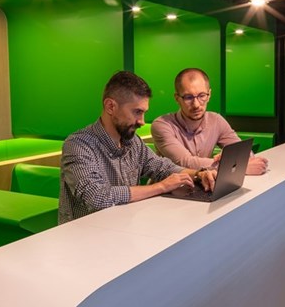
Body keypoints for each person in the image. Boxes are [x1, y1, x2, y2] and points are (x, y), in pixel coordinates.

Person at [59, 71, 217, 224]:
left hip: (126, 230)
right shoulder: (78, 145)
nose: (142, 121)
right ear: (110, 106)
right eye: (137, 112)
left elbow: (162, 167)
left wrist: (198, 173)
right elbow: (97, 197)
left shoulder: (133, 142)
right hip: (86, 238)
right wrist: (161, 186)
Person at [151, 68, 269, 175]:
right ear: (177, 98)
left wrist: (230, 159)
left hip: (203, 186)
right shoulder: (161, 125)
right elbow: (185, 162)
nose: (196, 104)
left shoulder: (216, 120)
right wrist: (235, 166)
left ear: (209, 95)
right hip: (167, 192)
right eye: (188, 97)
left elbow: (244, 153)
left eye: (202, 95)